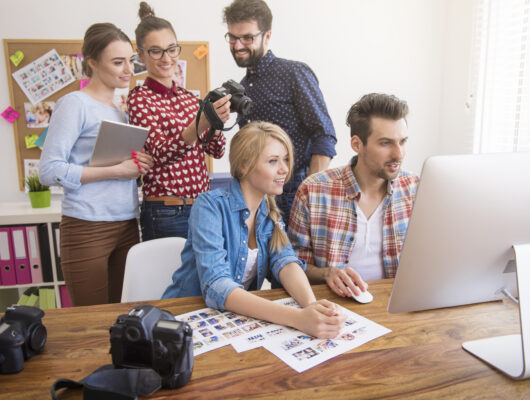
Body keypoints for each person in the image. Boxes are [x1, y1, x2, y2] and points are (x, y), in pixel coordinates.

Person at [162, 121, 345, 339]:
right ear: (244, 166)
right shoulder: (209, 206)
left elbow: (285, 261)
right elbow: (217, 284)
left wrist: (312, 307)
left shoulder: (270, 211)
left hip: (229, 322)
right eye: (273, 161)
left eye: (285, 159)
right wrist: (298, 319)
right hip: (183, 320)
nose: (285, 169)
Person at [39, 23, 153, 306]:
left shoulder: (121, 111)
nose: (128, 69)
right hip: (87, 225)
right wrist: (118, 170)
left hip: (127, 224)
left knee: (121, 317)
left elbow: (119, 165)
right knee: (91, 320)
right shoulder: (75, 104)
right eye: (118, 62)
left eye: (130, 60)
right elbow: (49, 170)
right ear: (92, 62)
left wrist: (137, 164)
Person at [288, 93, 419, 299]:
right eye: (386, 143)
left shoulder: (416, 189)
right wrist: (326, 274)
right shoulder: (313, 191)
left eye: (402, 142)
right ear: (357, 144)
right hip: (335, 309)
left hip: (397, 306)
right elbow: (292, 264)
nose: (399, 154)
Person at [223, 0, 337, 226]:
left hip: (293, 193)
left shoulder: (294, 73)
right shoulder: (242, 88)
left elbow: (324, 135)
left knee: (294, 261)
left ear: (267, 36)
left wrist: (308, 194)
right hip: (256, 196)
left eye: (247, 38)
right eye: (232, 38)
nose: (237, 46)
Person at [128, 1, 231, 241]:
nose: (166, 58)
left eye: (171, 49)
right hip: (167, 211)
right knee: (172, 279)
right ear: (141, 55)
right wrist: (201, 124)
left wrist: (216, 123)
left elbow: (216, 150)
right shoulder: (139, 99)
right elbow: (162, 154)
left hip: (203, 207)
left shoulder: (189, 98)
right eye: (156, 51)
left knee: (204, 278)